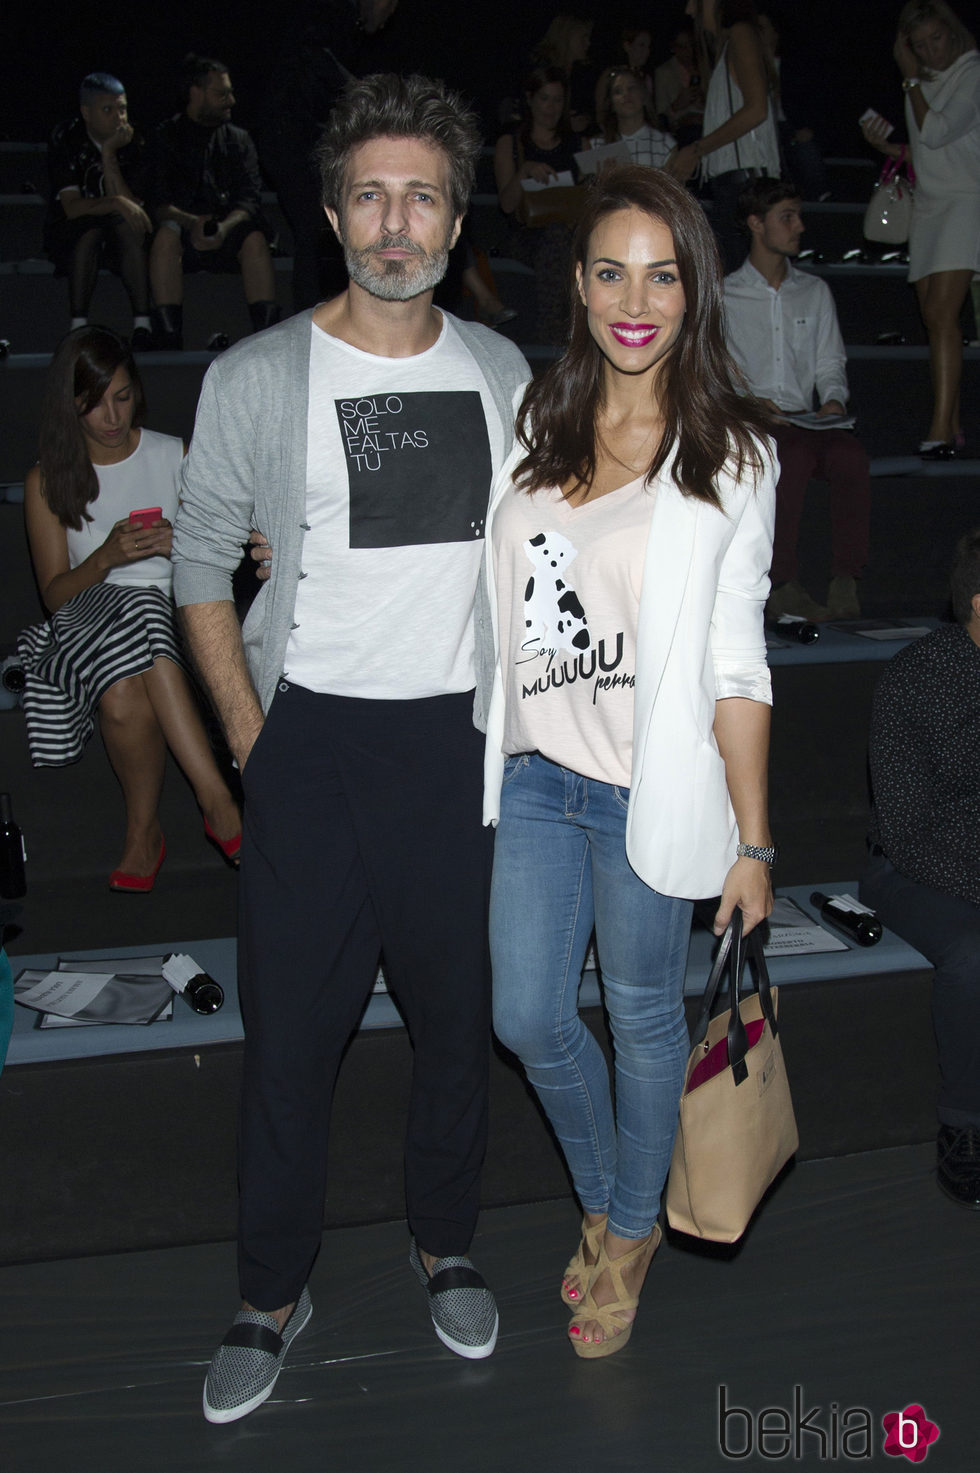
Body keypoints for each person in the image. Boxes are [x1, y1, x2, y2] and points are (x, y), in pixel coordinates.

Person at [171, 73, 529, 1423]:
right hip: (310, 741)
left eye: (422, 195)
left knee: (456, 1027)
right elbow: (199, 566)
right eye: (372, 195)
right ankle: (271, 1287)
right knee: (289, 1043)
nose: (397, 222)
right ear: (333, 214)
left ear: (453, 214)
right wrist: (258, 745)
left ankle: (448, 1244)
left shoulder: (501, 372)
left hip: (460, 744)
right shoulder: (259, 376)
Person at [482, 164, 777, 1358]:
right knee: (527, 1013)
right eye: (611, 271)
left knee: (646, 1018)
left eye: (661, 273)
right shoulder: (532, 417)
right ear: (579, 286)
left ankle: (626, 1231)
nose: (633, 298)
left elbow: (738, 665)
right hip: (537, 773)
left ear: (692, 290)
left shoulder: (731, 453)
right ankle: (617, 1202)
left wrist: (753, 843)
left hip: (649, 791)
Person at [17, 327, 242, 890]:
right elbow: (54, 595)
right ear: (71, 405)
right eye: (93, 402)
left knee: (122, 692)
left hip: (173, 618)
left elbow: (223, 556)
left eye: (121, 397)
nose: (111, 416)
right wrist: (106, 557)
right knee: (138, 605)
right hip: (84, 619)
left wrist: (182, 543)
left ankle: (143, 833)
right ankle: (216, 798)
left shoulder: (172, 452)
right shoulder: (49, 480)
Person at [860, 528, 980, 1209]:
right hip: (911, 870)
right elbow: (906, 828)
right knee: (971, 952)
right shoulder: (917, 678)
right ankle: (964, 1126)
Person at [723, 177, 870, 622]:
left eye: (798, 215)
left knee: (851, 457)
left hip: (807, 417)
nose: (799, 226)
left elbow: (830, 362)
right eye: (786, 217)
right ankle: (782, 583)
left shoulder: (814, 290)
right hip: (757, 417)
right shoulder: (725, 294)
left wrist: (833, 403)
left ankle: (846, 580)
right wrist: (753, 402)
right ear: (755, 223)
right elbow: (720, 371)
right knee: (793, 454)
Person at [860, 1, 980, 458]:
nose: (931, 51)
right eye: (920, 45)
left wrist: (910, 77)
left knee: (944, 315)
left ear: (954, 33)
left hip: (966, 201)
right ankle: (949, 420)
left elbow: (938, 131)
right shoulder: (926, 82)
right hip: (931, 203)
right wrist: (886, 145)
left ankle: (942, 429)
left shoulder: (971, 71)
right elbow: (930, 149)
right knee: (933, 317)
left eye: (938, 39)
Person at [146, 55, 279, 350]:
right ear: (196, 93)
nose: (231, 100)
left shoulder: (239, 140)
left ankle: (268, 336)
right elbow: (158, 200)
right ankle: (169, 335)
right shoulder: (166, 136)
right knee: (165, 236)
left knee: (255, 238)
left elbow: (249, 199)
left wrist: (222, 227)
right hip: (183, 229)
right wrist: (193, 223)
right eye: (222, 94)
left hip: (228, 229)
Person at [668, 0, 779, 272]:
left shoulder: (741, 34)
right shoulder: (729, 43)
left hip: (747, 186)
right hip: (735, 187)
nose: (689, 10)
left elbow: (756, 110)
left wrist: (696, 150)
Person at [44, 74, 153, 347]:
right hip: (73, 228)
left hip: (119, 231)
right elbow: (71, 207)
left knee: (127, 226)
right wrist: (115, 202)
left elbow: (136, 211)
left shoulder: (135, 142)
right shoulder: (66, 140)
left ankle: (143, 325)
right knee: (90, 232)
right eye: (108, 110)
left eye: (123, 109)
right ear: (86, 112)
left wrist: (108, 155)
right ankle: (78, 325)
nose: (119, 118)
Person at [494, 65, 583, 342]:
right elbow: (507, 206)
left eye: (557, 100)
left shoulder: (577, 143)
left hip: (571, 231)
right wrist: (524, 172)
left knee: (571, 238)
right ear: (531, 99)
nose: (551, 107)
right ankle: (553, 331)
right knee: (558, 238)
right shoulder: (511, 143)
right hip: (525, 235)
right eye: (544, 98)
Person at [593, 67, 677, 168]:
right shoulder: (597, 145)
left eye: (631, 88)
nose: (626, 95)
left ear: (643, 96)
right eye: (618, 91)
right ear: (612, 104)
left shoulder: (666, 144)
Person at [653, 20, 706, 147]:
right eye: (682, 46)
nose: (688, 51)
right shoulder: (664, 72)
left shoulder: (705, 68)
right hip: (681, 133)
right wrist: (678, 105)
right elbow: (660, 116)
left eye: (690, 45)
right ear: (673, 48)